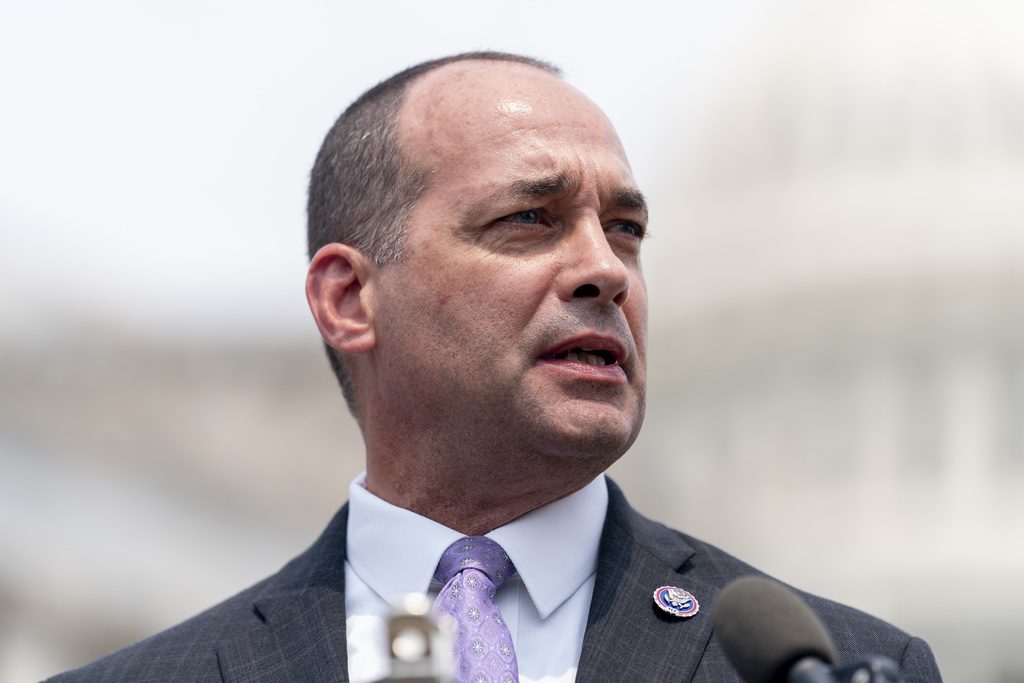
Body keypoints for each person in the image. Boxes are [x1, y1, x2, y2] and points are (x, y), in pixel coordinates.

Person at [50, 52, 942, 682]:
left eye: (626, 229)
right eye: (529, 219)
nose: (604, 267)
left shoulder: (832, 664)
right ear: (350, 300)